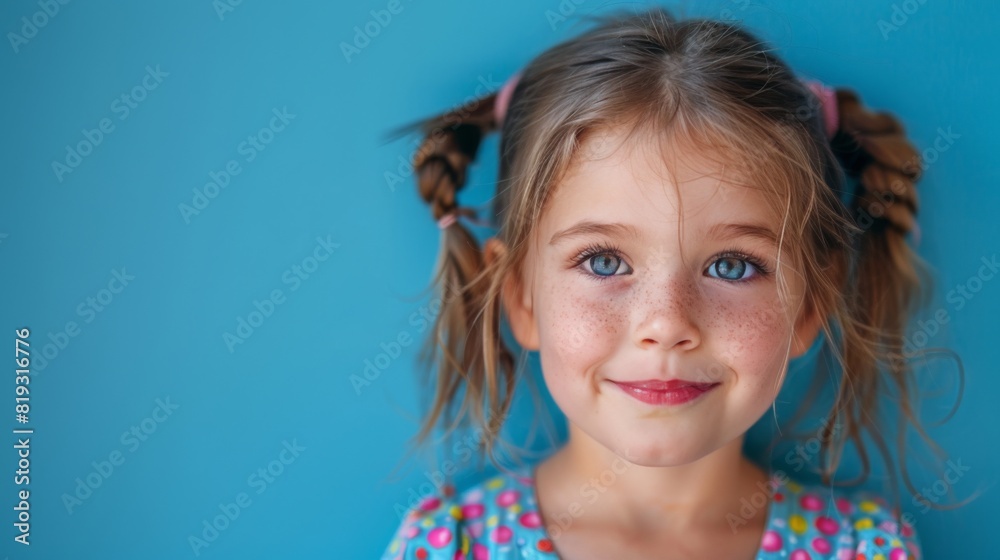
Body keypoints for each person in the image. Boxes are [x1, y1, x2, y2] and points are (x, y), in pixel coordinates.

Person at [380, 7, 945, 559]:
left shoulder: (865, 550)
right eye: (603, 261)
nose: (667, 324)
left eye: (732, 266)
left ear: (808, 307)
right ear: (522, 297)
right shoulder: (450, 546)